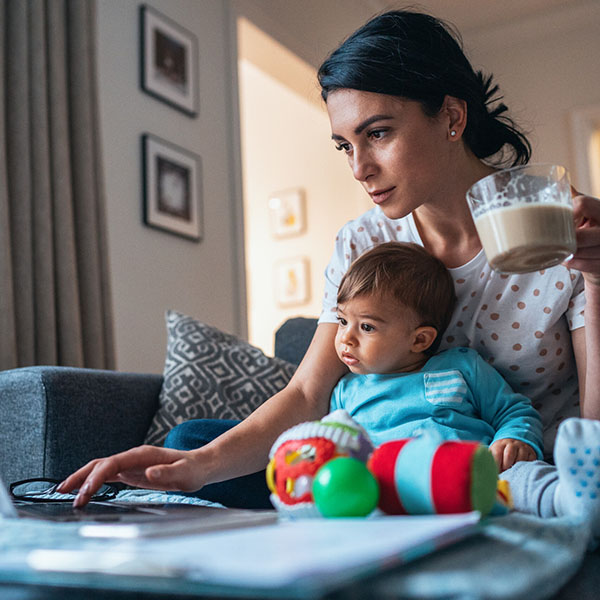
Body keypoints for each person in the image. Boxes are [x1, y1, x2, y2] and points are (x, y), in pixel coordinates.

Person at [58, 10, 600, 534]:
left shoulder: (556, 224)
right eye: (345, 145)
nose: (359, 168)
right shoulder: (363, 241)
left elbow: (594, 428)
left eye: (378, 134)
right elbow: (308, 396)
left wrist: (597, 277)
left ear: (452, 118)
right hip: (377, 468)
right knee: (192, 438)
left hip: (517, 472)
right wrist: (195, 463)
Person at [330, 241, 543, 471]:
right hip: (391, 490)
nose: (346, 338)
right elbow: (333, 446)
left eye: (367, 327)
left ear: (420, 340)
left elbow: (513, 411)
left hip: (473, 480)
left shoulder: (462, 367)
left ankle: (563, 496)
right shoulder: (345, 393)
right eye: (342, 321)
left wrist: (514, 440)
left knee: (526, 479)